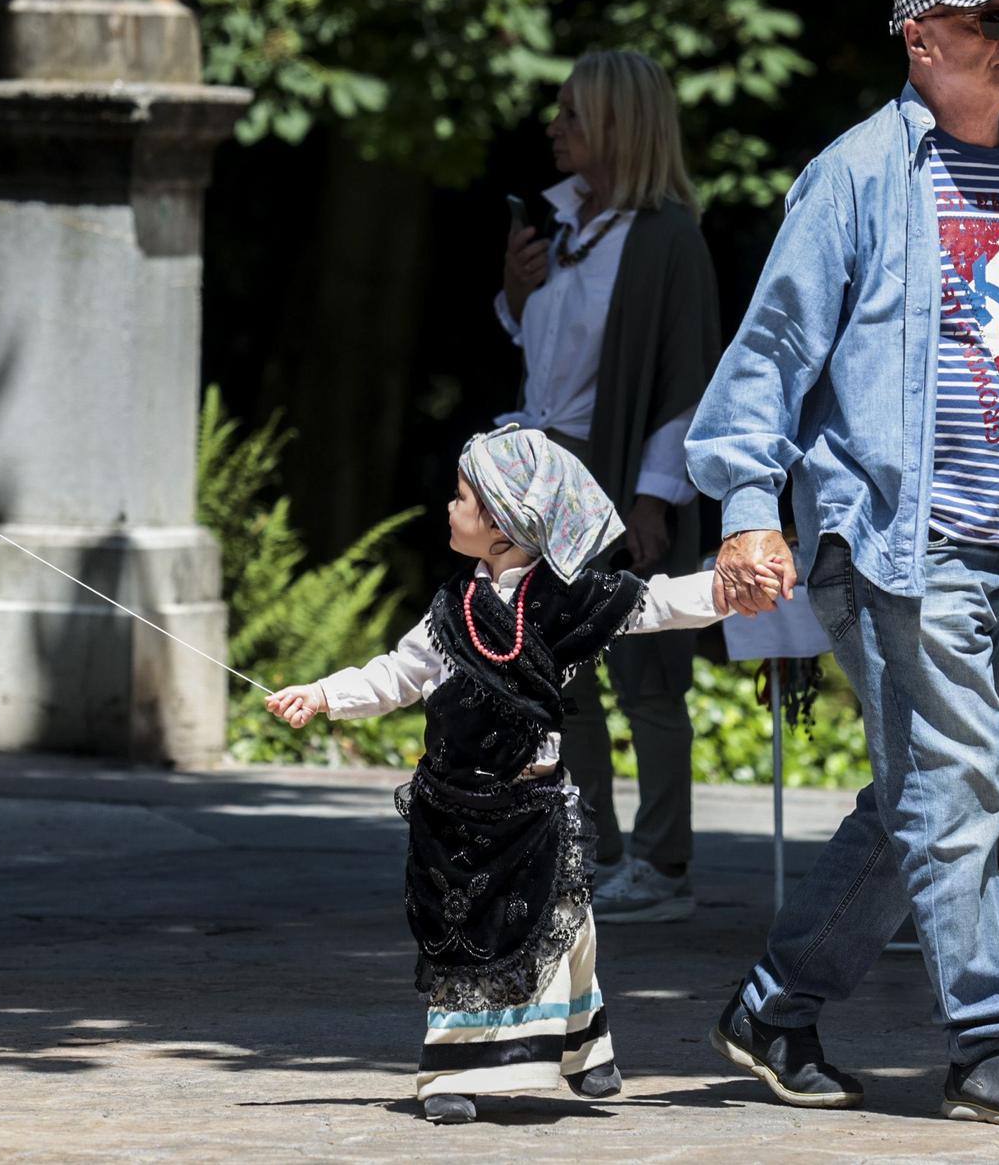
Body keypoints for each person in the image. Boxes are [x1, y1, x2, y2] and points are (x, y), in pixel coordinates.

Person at [685, 0, 999, 1129]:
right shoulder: (854, 175)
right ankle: (989, 1038)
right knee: (958, 780)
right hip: (893, 538)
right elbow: (772, 354)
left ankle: (773, 1004)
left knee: (918, 797)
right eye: (988, 16)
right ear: (919, 36)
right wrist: (745, 506)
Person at [265, 426, 770, 1124]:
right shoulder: (450, 610)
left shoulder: (567, 601)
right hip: (457, 811)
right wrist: (322, 694)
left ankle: (583, 1048)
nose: (449, 507)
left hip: (534, 805)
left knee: (562, 926)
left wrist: (726, 589)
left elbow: (652, 603)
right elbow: (398, 672)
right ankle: (448, 1071)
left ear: (503, 523)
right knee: (463, 935)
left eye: (463, 497)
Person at [496, 49, 720, 924]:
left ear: (621, 129)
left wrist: (653, 499)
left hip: (621, 471)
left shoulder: (668, 239)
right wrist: (516, 296)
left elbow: (686, 381)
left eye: (575, 116)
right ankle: (592, 848)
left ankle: (665, 868)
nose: (556, 128)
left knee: (646, 672)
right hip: (544, 469)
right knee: (557, 672)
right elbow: (544, 357)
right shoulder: (558, 227)